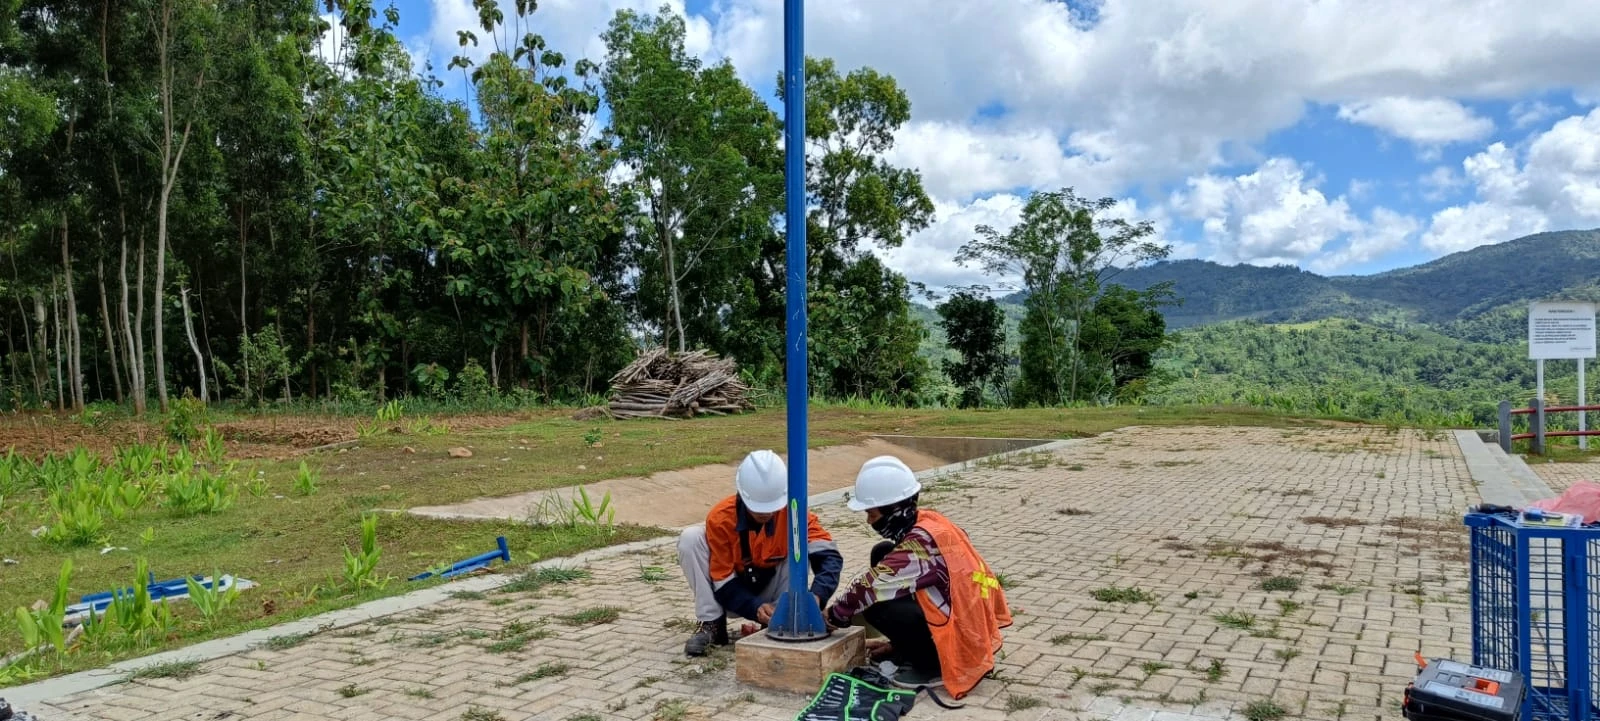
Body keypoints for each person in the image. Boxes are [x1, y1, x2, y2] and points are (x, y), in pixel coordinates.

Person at [824, 455, 1012, 697]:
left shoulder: (921, 546)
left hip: (961, 637)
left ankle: (930, 665)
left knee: (876, 605)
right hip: (967, 622)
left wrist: (834, 616)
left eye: (872, 513)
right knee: (882, 552)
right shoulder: (930, 522)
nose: (869, 521)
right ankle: (907, 649)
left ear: (893, 510)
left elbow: (868, 588)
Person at [677, 449, 845, 656]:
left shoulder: (795, 512)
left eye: (771, 507)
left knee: (798, 550)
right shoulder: (721, 518)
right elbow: (722, 580)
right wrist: (754, 607)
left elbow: (829, 556)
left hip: (776, 591)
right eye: (758, 508)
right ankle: (711, 624)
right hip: (733, 593)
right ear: (742, 494)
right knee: (690, 538)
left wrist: (817, 597)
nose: (765, 513)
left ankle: (782, 620)